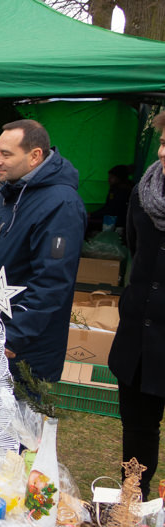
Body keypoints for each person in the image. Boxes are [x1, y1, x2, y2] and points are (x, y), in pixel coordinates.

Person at [0, 119, 86, 405]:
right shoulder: (5, 191)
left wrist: (14, 338)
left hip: (18, 348)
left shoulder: (61, 204)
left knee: (9, 436)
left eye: (6, 154)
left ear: (35, 155)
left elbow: (53, 282)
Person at [108, 111, 165, 500]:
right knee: (138, 423)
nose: (163, 154)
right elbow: (134, 247)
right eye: (163, 144)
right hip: (140, 330)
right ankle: (134, 494)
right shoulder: (143, 194)